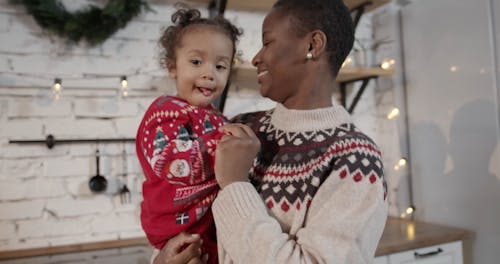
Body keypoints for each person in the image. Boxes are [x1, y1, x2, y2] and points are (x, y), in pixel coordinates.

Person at [158, 0, 388, 263]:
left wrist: (234, 184)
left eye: (267, 42)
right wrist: (164, 258)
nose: (256, 58)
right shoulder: (240, 126)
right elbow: (186, 213)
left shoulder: (357, 159)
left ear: (312, 46)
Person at [135, 7, 241, 264]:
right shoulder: (165, 114)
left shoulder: (215, 116)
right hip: (175, 226)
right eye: (196, 62)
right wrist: (229, 146)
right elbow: (177, 166)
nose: (209, 73)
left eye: (220, 65)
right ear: (172, 67)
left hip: (206, 223)